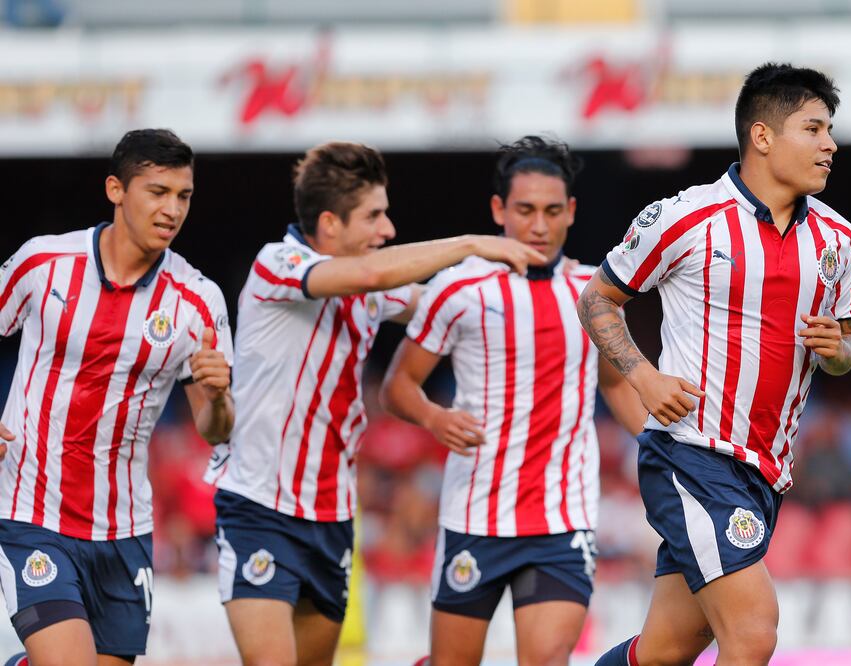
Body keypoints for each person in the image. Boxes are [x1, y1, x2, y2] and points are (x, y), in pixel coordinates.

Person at [206, 140, 547, 666]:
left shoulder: (370, 290)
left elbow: (440, 307)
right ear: (329, 223)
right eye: (374, 216)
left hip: (333, 517)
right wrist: (470, 244)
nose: (387, 230)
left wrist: (555, 301)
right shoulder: (278, 265)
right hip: (259, 507)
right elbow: (371, 275)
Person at [581, 63, 851, 666]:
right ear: (763, 136)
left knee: (663, 650)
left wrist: (839, 352)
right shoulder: (686, 217)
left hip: (766, 469)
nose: (829, 144)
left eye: (830, 130)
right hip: (691, 453)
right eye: (814, 129)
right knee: (754, 630)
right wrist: (643, 374)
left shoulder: (839, 240)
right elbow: (598, 297)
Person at [380, 135, 647, 666]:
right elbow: (397, 387)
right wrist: (434, 417)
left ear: (571, 211)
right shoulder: (460, 288)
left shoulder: (593, 294)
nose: (539, 226)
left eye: (552, 211)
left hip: (561, 518)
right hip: (475, 514)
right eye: (525, 210)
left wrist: (665, 450)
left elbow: (615, 384)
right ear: (499, 210)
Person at [0, 129, 234, 666]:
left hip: (125, 528)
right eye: (157, 192)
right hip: (33, 513)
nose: (172, 209)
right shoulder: (45, 264)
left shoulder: (198, 301)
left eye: (184, 196)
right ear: (116, 189)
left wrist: (218, 395)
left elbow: (215, 428)